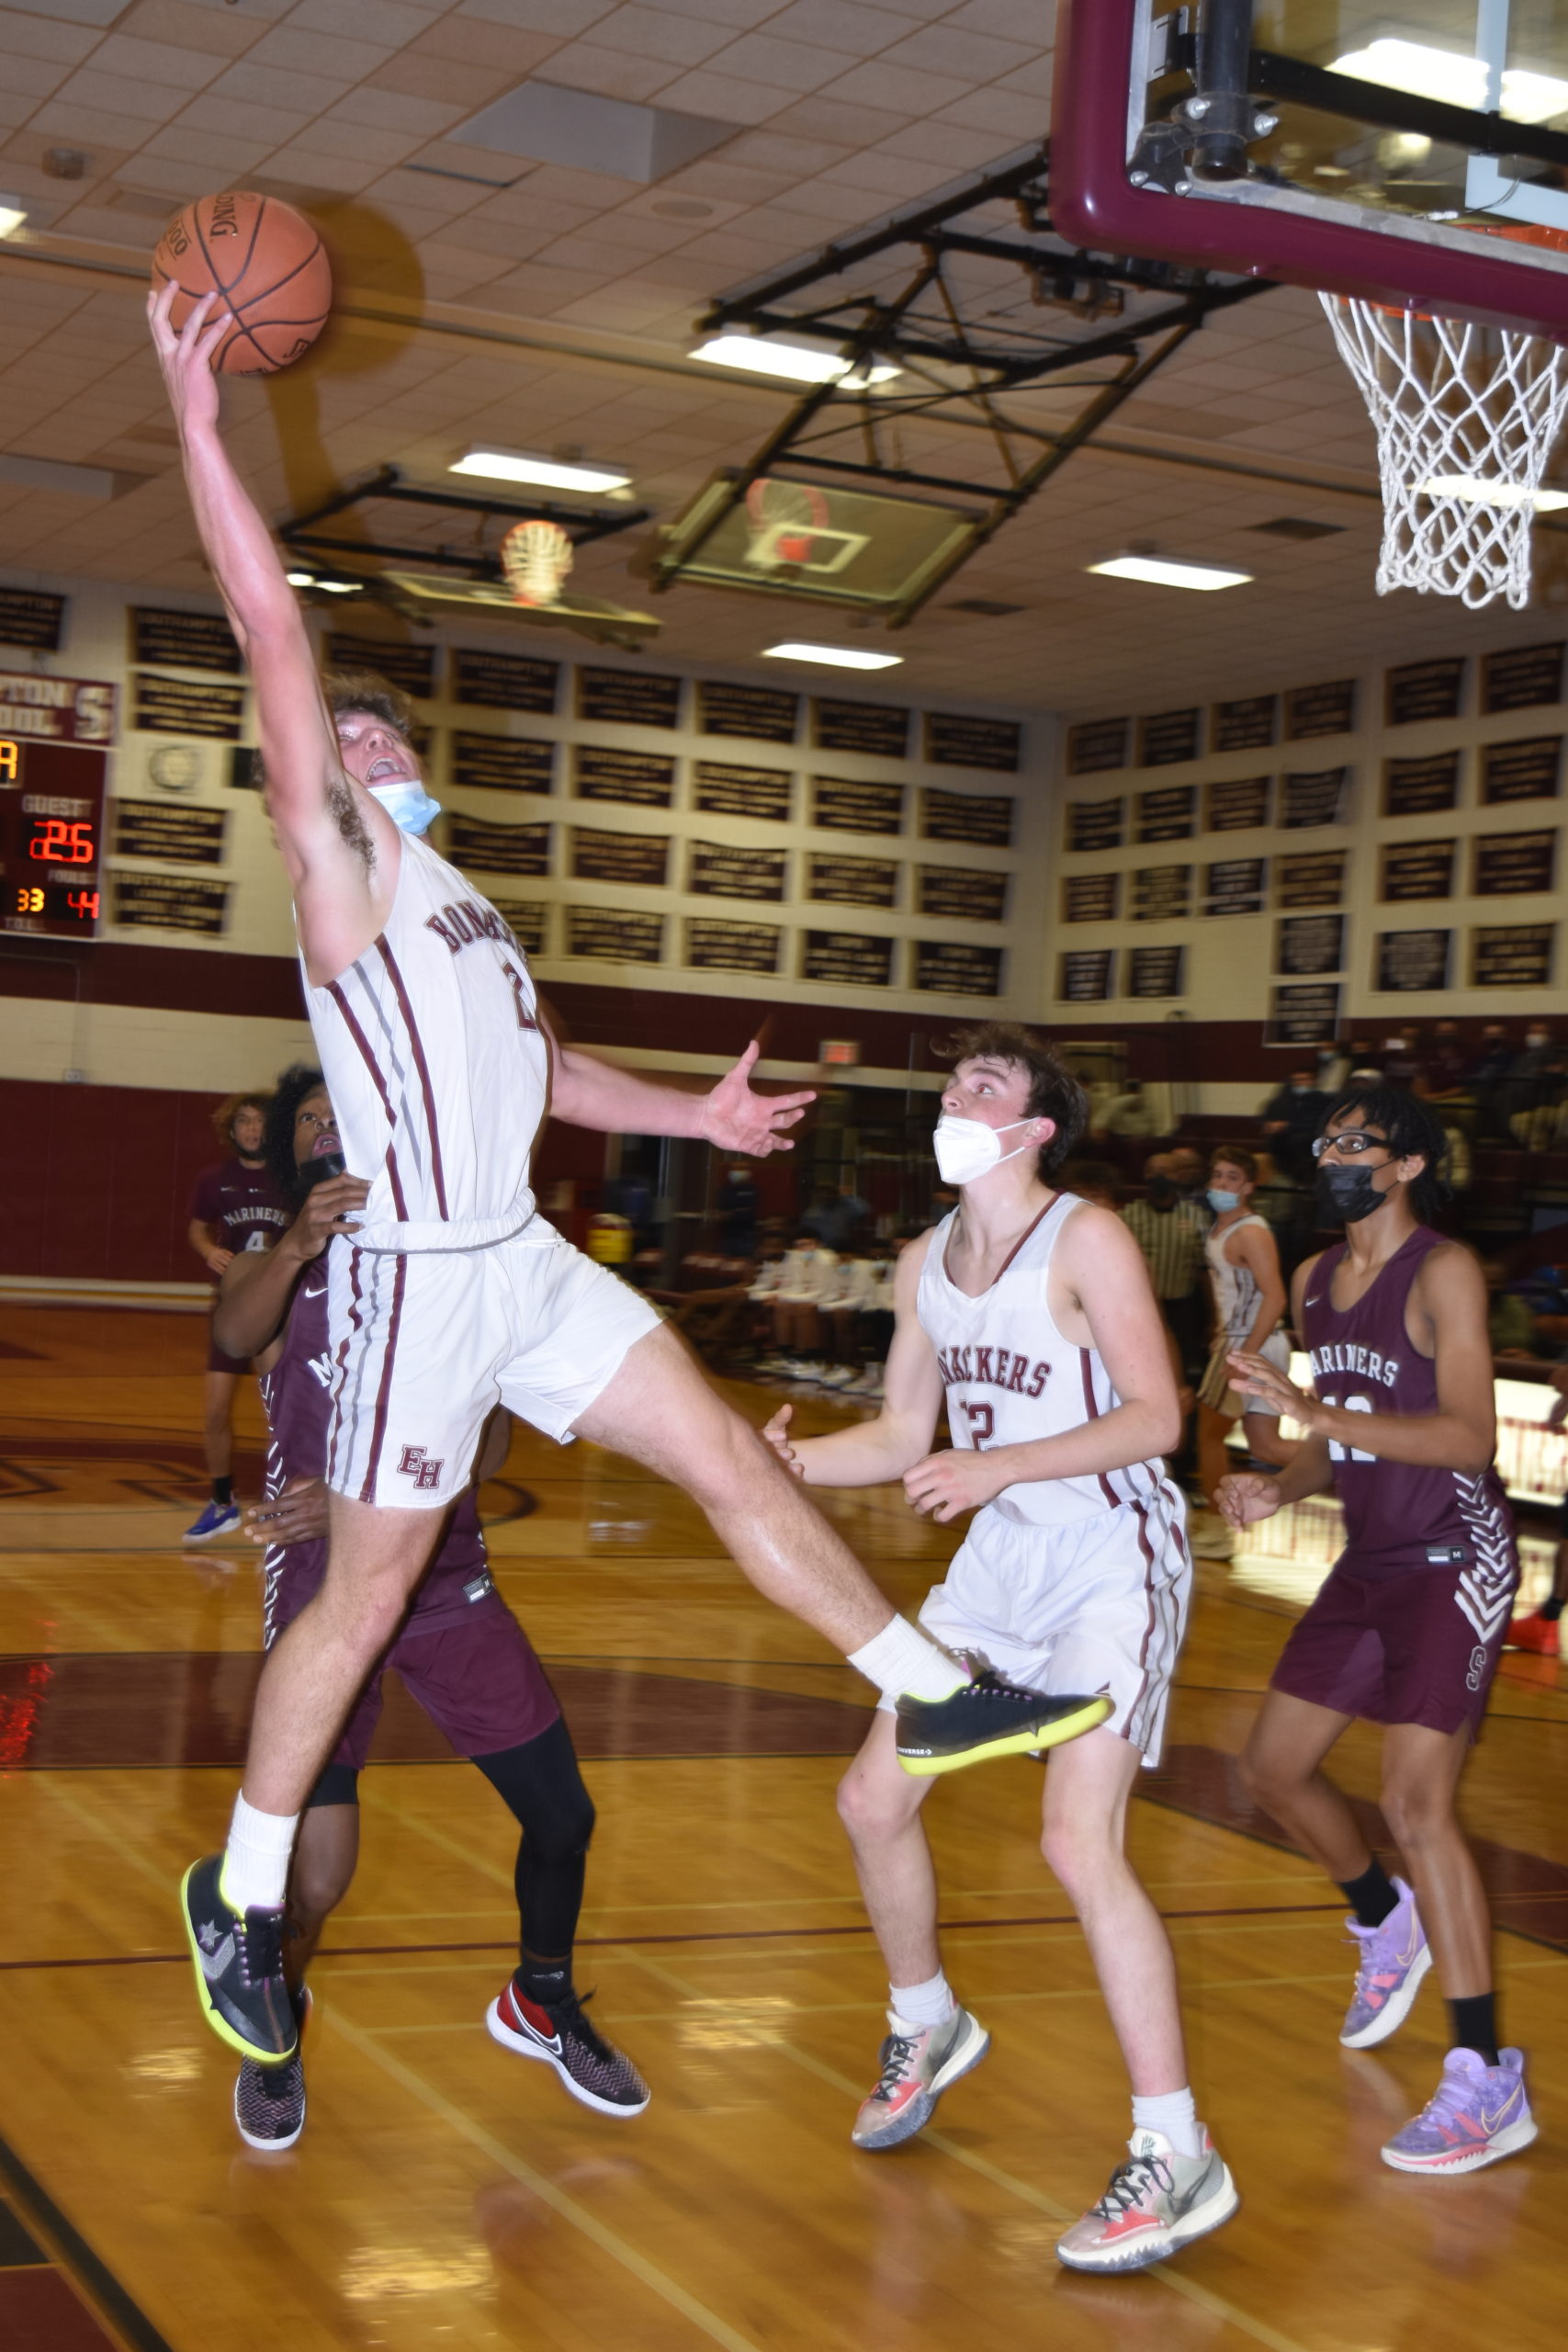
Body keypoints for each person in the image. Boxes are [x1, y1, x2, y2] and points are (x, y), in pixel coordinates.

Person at [151, 284, 1089, 2069]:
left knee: (727, 1450)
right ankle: (245, 1894)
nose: (371, 745)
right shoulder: (338, 881)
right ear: (311, 791)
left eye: (384, 734)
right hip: (426, 1271)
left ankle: (935, 1695)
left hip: (518, 1251)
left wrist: (693, 1122)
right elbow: (271, 633)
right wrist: (202, 427)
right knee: (359, 1594)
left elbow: (548, 1070)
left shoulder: (463, 910)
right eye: (343, 744)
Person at [764, 1022, 1237, 2275]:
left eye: (986, 1082)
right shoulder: (923, 1258)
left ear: (1030, 1129)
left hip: (1105, 1554)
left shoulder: (1084, 1236)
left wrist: (998, 1465)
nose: (955, 1094)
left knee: (1073, 1842)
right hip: (999, 1553)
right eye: (952, 1079)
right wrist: (786, 1465)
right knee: (870, 1801)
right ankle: (925, 2022)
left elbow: (1155, 1415)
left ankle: (1172, 2147)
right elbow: (899, 1435)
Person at [217, 1068, 644, 2148]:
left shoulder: (447, 1261)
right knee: (315, 1877)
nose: (322, 1131)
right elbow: (230, 1333)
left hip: (444, 1578)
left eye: (337, 1118)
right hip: (321, 1587)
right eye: (306, 1121)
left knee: (565, 1815)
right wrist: (298, 1247)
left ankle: (541, 1996)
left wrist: (378, 1499)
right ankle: (274, 2040)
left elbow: (493, 1441)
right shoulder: (292, 1271)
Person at [1219, 1083, 1535, 2175]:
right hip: (1370, 1561)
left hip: (1455, 1557)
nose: (1334, 1155)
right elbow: (1339, 1445)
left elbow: (1460, 1436)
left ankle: (1487, 2075)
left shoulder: (1441, 1270)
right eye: (1326, 1141)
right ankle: (1379, 1914)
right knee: (1270, 1770)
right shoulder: (1312, 1278)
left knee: (1414, 1799)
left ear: (1404, 1164)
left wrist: (1311, 1416)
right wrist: (1281, 1482)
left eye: (1358, 1142)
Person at [185, 1090, 290, 1542]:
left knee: (281, 1412)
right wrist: (209, 1249)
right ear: (232, 1129)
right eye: (243, 1121)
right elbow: (196, 1226)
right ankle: (222, 1501)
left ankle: (283, 1500)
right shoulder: (214, 1178)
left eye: (259, 1121)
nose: (252, 1129)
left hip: (277, 1308)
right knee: (213, 1411)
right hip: (230, 1307)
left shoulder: (292, 1179)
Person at [1195, 1147, 1292, 1502]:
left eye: (1232, 1177)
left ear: (1248, 1187)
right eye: (1217, 1175)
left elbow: (1276, 1297)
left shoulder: (1249, 1231)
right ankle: (1361, 1467)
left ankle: (1219, 1528)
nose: (1221, 1182)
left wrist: (1243, 1355)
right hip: (1247, 1341)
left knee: (1208, 1434)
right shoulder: (1221, 1229)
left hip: (1250, 1344)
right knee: (1266, 1447)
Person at [1259, 1067, 1329, 1184]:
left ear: (1314, 1081)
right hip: (1284, 1143)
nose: (1301, 1083)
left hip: (1312, 1140)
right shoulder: (1284, 1099)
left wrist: (1287, 1126)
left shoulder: (1323, 1100)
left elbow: (1318, 1123)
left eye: (1305, 1079)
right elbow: (1266, 1116)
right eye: (1297, 1080)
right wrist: (1271, 1125)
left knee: (1300, 1141)